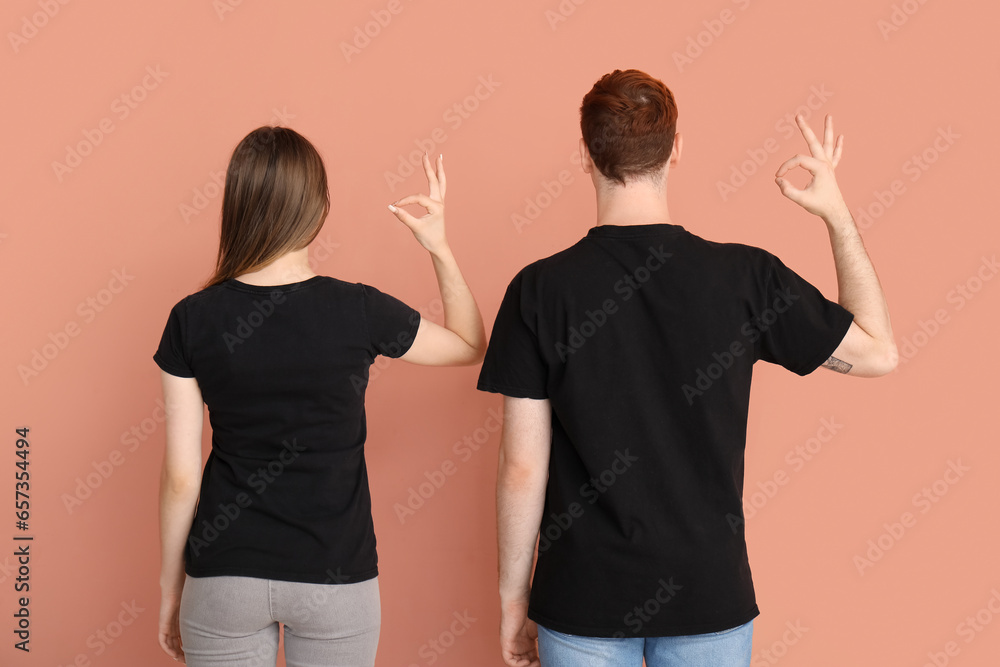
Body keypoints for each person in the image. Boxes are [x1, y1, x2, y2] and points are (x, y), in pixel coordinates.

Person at [478, 69, 897, 667]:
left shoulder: (539, 289)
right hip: (709, 593)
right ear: (677, 149)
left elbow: (522, 467)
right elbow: (878, 352)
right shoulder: (746, 278)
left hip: (582, 600)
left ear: (584, 153)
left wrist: (512, 600)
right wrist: (835, 214)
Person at [154, 126, 485, 666]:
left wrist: (173, 591)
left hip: (224, 575)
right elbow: (471, 345)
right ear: (318, 208)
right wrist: (439, 247)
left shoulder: (192, 319)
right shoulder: (356, 309)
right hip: (336, 578)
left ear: (237, 204)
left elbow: (181, 477)